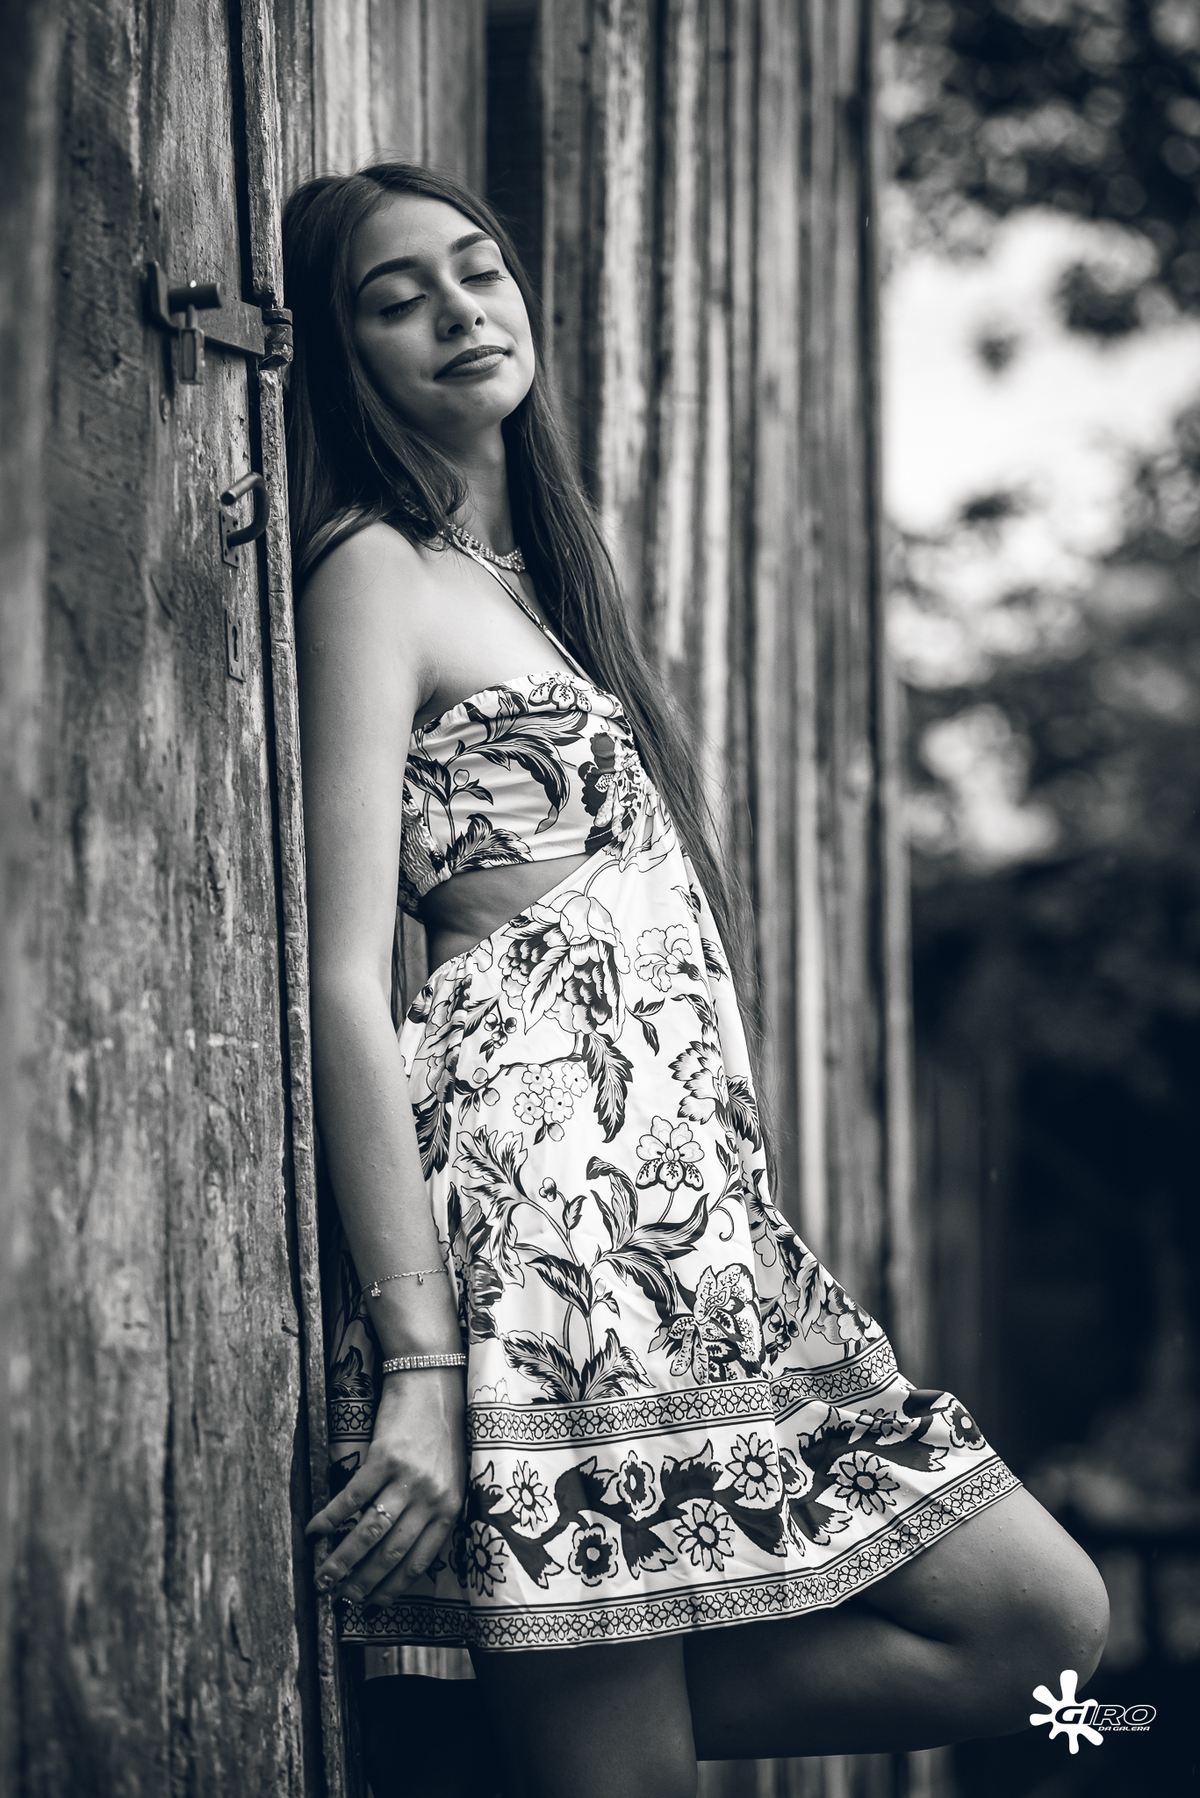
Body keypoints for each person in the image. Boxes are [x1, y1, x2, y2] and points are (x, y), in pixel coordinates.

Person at [283, 163, 1108, 1798]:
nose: (460, 311)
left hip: (679, 1242)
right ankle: (535, 1725)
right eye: (396, 297)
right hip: (544, 1247)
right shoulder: (375, 571)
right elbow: (342, 983)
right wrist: (425, 1361)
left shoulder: (537, 586)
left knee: (1038, 1621)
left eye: (479, 271)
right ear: (340, 349)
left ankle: (490, 1732)